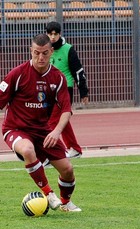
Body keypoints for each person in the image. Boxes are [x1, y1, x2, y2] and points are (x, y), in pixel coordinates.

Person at [0, 34, 81, 212]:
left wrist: (56, 132)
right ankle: (48, 193)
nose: (40, 58)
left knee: (67, 170)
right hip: (15, 128)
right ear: (31, 51)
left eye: (45, 53)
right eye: (36, 53)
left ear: (51, 52)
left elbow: (66, 110)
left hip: (43, 131)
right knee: (28, 150)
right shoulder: (17, 74)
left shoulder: (58, 78)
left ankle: (65, 203)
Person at [45, 21, 89, 159]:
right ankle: (74, 149)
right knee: (63, 121)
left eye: (55, 34)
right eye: (50, 34)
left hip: (65, 89)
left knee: (52, 121)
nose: (52, 37)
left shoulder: (68, 49)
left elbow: (78, 72)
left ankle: (53, 151)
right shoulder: (45, 49)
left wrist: (84, 92)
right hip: (49, 90)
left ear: (59, 34)